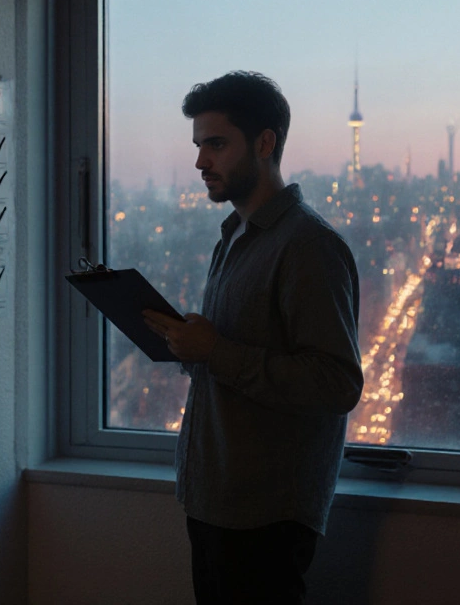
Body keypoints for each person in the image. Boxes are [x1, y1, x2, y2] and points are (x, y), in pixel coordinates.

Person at [143, 71, 363, 604]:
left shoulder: (309, 246)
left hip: (265, 515)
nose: (200, 162)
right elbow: (231, 356)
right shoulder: (235, 235)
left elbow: (337, 384)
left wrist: (215, 351)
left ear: (265, 143)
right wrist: (189, 345)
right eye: (198, 146)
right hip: (215, 499)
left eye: (216, 144)